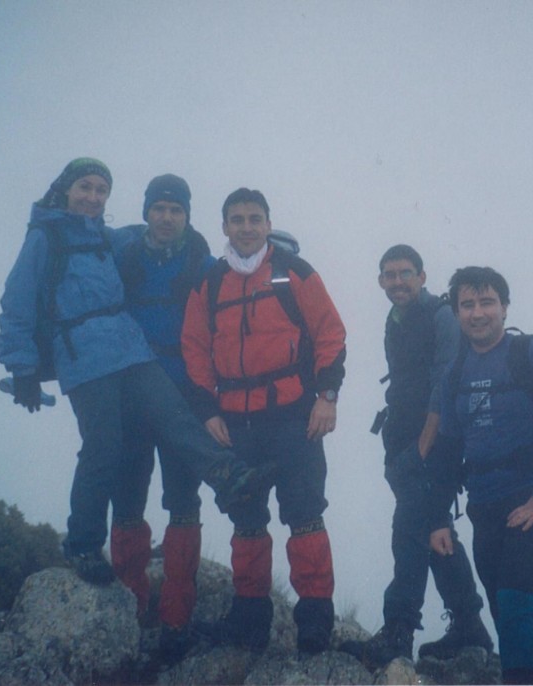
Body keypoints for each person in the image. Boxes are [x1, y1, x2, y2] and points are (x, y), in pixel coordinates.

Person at [0, 158, 256, 587]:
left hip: (128, 347)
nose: (93, 197)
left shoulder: (106, 237)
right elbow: (16, 299)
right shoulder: (46, 236)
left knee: (175, 412)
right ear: (65, 189)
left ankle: (228, 477)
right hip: (83, 355)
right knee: (104, 448)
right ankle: (81, 543)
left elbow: (158, 239)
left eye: (101, 191)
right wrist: (21, 366)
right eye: (86, 187)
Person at [181, 187, 346, 654]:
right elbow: (194, 349)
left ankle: (315, 623)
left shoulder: (295, 273)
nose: (247, 227)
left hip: (295, 415)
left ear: (268, 224)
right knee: (246, 517)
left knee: (305, 514)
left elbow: (330, 334)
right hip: (235, 421)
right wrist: (207, 410)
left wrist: (327, 396)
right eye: (237, 219)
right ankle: (249, 622)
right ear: (225, 227)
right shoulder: (210, 283)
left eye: (255, 218)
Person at [427, 266, 533, 684]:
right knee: (511, 614)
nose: (477, 313)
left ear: (504, 307)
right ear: (456, 311)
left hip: (532, 502)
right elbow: (446, 454)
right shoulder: (454, 376)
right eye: (468, 304)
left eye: (487, 302)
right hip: (485, 507)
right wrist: (438, 519)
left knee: (519, 607)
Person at [341, 245, 491, 668]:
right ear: (380, 282)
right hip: (404, 445)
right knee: (433, 530)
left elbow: (444, 388)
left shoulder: (441, 316)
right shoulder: (396, 319)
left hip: (431, 446)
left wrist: (422, 450)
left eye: (405, 273)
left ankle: (398, 632)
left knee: (408, 531)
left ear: (423, 277)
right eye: (389, 275)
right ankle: (469, 627)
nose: (397, 282)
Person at [108, 174, 213, 656]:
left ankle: (176, 618)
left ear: (188, 215)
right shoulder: (123, 258)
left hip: (182, 400)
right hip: (131, 396)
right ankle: (128, 608)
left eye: (176, 209)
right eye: (159, 208)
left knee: (182, 501)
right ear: (146, 212)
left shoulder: (203, 265)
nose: (167, 217)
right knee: (128, 499)